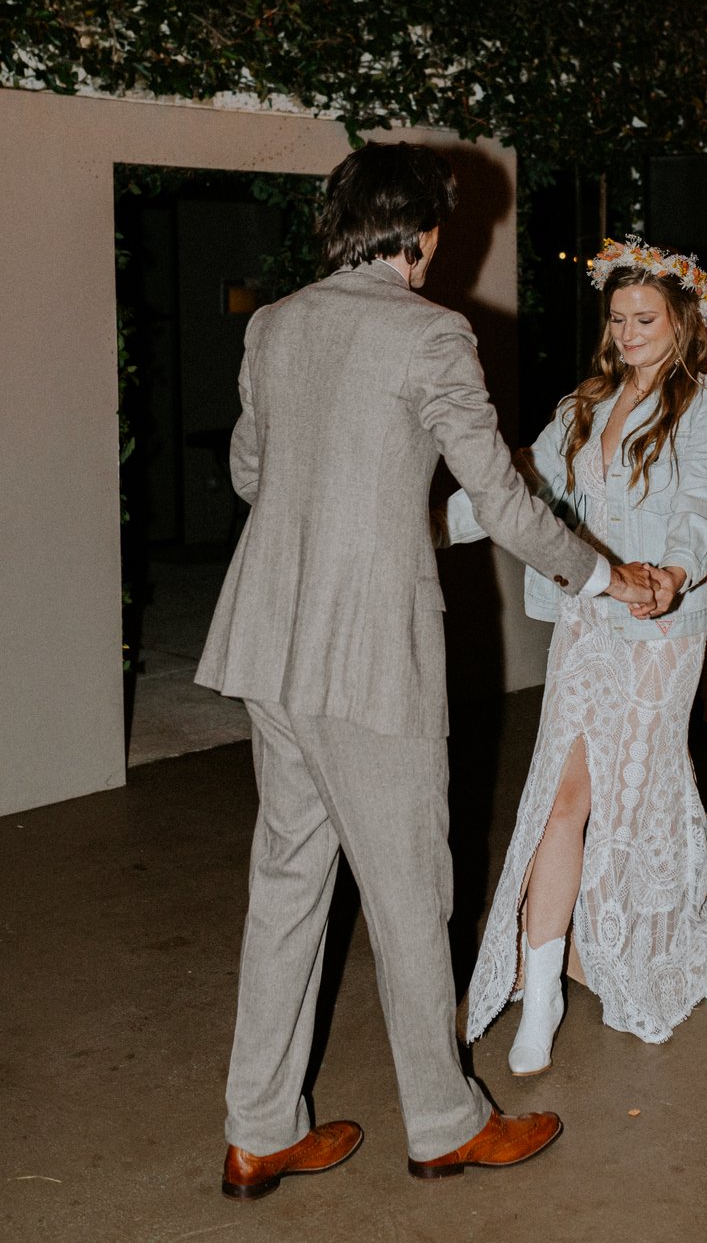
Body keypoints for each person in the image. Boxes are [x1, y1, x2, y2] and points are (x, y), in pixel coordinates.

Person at [195, 144, 655, 1199]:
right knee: (410, 894)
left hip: (270, 644)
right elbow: (498, 498)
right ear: (426, 231)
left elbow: (250, 470)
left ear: (336, 226)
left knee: (285, 886)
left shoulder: (274, 324)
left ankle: (258, 1130)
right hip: (366, 656)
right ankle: (445, 1123)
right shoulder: (430, 331)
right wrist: (600, 572)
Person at [443, 234, 707, 1075]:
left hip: (661, 636)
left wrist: (673, 574)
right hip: (590, 626)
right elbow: (515, 486)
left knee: (630, 798)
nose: (630, 332)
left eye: (646, 318)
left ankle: (631, 949)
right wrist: (426, 527)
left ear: (684, 322)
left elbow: (700, 507)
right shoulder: (582, 405)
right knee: (559, 797)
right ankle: (543, 993)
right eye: (618, 318)